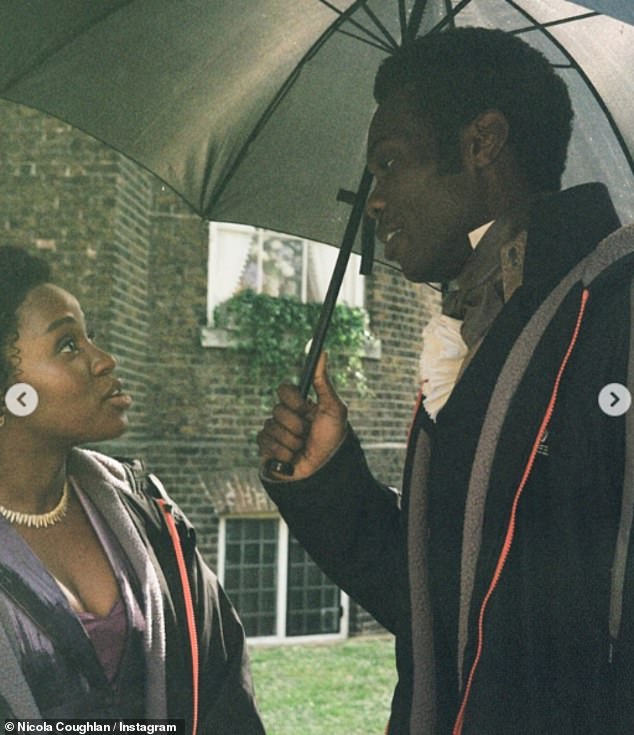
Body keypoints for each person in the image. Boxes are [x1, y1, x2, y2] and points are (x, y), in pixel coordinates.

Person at [257, 27, 634, 735]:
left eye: (391, 161)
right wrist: (328, 480)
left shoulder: (613, 318)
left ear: (482, 142)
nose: (374, 198)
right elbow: (446, 612)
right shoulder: (488, 323)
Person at [0, 246, 266, 733]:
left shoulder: (148, 512)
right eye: (67, 346)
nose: (104, 361)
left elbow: (224, 693)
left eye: (90, 337)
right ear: (10, 394)